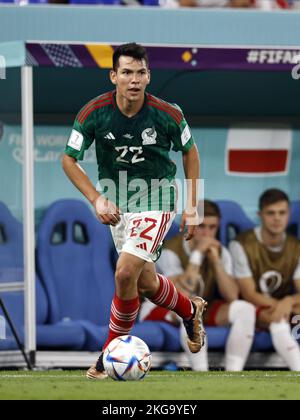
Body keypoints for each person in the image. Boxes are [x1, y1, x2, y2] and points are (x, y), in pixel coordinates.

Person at [62, 43, 207, 379]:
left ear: (148, 76)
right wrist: (97, 198)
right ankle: (190, 309)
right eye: (126, 72)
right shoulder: (94, 112)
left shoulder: (167, 113)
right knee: (142, 283)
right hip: (117, 201)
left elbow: (190, 152)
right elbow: (68, 159)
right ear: (114, 76)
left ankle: (108, 353)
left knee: (124, 273)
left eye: (140, 72)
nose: (134, 79)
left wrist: (191, 206)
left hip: (156, 198)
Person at [140, 200, 256, 371]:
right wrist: (198, 254)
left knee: (245, 309)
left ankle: (234, 373)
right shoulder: (170, 250)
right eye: (202, 226)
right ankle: (201, 372)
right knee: (190, 309)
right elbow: (181, 293)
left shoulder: (220, 252)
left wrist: (216, 261)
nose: (207, 234)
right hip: (159, 309)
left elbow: (231, 295)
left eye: (212, 227)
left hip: (198, 308)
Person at [230, 189, 300, 371]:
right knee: (276, 318)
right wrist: (283, 306)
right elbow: (249, 294)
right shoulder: (241, 243)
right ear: (260, 215)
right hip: (254, 307)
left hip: (286, 305)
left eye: (282, 213)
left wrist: (288, 301)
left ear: (288, 214)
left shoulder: (296, 247)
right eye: (271, 213)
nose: (277, 218)